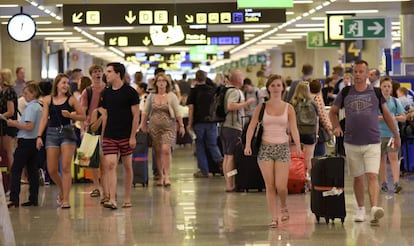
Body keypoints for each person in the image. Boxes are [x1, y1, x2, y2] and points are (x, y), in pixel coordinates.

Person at [329, 60, 401, 226]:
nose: (358, 75)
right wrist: (336, 127)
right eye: (356, 72)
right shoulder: (346, 92)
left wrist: (396, 135)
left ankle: (374, 208)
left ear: (367, 74)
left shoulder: (375, 93)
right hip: (352, 142)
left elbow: (388, 116)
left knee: (372, 175)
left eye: (362, 71)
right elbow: (333, 112)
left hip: (372, 141)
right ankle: (361, 208)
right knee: (358, 177)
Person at [244, 74, 301, 228]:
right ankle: (274, 217)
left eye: (278, 85)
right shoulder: (261, 107)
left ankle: (283, 205)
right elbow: (252, 125)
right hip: (265, 148)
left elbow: (294, 128)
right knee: (270, 185)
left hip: (283, 147)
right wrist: (247, 144)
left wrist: (298, 145)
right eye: (273, 85)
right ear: (268, 88)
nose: (276, 88)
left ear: (283, 88)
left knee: (281, 186)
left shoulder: (289, 108)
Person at [36, 73, 86, 209]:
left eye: (67, 83)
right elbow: (44, 118)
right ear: (57, 84)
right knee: (51, 169)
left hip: (67, 132)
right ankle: (63, 190)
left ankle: (66, 200)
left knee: (65, 167)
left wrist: (70, 115)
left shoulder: (71, 99)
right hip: (51, 133)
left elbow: (83, 116)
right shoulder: (47, 100)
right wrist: (39, 136)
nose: (65, 85)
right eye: (63, 82)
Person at [101, 62, 139, 209]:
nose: (107, 74)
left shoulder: (130, 92)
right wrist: (103, 135)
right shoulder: (107, 93)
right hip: (110, 135)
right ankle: (112, 198)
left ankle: (127, 197)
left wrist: (133, 136)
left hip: (126, 135)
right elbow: (105, 115)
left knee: (128, 166)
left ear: (118, 73)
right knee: (110, 165)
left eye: (109, 71)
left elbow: (136, 116)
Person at [140, 72, 185, 186]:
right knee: (158, 151)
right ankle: (160, 175)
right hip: (154, 127)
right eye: (159, 81)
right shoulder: (151, 96)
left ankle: (167, 176)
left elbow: (177, 111)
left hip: (169, 126)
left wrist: (181, 125)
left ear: (167, 83)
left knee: (166, 149)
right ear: (156, 83)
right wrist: (143, 124)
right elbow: (145, 111)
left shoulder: (171, 96)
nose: (161, 83)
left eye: (163, 81)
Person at [7, 83, 42, 208]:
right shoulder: (39, 106)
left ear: (33, 94)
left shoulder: (32, 108)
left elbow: (29, 126)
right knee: (32, 171)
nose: (24, 95)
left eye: (26, 93)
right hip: (34, 143)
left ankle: (13, 198)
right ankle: (33, 198)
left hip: (26, 142)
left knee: (16, 170)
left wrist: (14, 124)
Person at [220, 69, 255, 192]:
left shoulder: (226, 90)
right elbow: (231, 106)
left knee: (226, 156)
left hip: (224, 126)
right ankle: (230, 184)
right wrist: (246, 103)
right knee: (230, 157)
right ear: (238, 80)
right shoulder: (235, 92)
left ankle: (228, 182)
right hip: (233, 127)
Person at [187, 70, 223, 178]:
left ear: (196, 78)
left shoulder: (193, 91)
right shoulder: (212, 90)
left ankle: (204, 171)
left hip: (198, 123)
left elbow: (191, 108)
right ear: (205, 77)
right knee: (212, 144)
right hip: (212, 122)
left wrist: (189, 123)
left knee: (200, 146)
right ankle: (221, 162)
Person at [80, 64, 107, 200]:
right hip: (91, 127)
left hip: (106, 126)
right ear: (91, 75)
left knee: (104, 158)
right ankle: (96, 186)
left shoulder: (108, 89)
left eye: (99, 71)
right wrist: (83, 128)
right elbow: (82, 111)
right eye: (95, 72)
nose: (97, 74)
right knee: (91, 159)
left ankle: (106, 187)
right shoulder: (87, 92)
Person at [378, 77, 406, 193]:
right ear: (380, 88)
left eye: (389, 86)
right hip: (379, 134)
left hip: (392, 134)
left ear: (392, 88)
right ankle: (383, 182)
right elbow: (372, 117)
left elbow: (403, 117)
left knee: (393, 158)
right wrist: (384, 118)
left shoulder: (395, 101)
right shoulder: (377, 102)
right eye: (384, 86)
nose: (386, 89)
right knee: (381, 159)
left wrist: (393, 118)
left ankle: (396, 182)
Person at [290, 81, 319, 183]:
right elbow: (317, 121)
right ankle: (309, 179)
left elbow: (290, 121)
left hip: (296, 133)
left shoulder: (293, 103)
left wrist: (289, 134)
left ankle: (296, 178)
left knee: (295, 157)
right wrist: (316, 134)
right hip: (310, 133)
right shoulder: (313, 103)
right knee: (309, 158)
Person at [0, 68, 18, 193]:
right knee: (4, 154)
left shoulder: (10, 92)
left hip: (8, 125)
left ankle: (12, 181)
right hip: (2, 124)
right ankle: (5, 180)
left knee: (9, 153)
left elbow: (11, 111)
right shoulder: (2, 91)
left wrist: (1, 116)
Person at [309, 79, 332, 157]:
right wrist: (329, 129)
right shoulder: (317, 98)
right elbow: (322, 116)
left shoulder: (307, 97)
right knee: (320, 156)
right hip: (318, 132)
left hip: (308, 130)